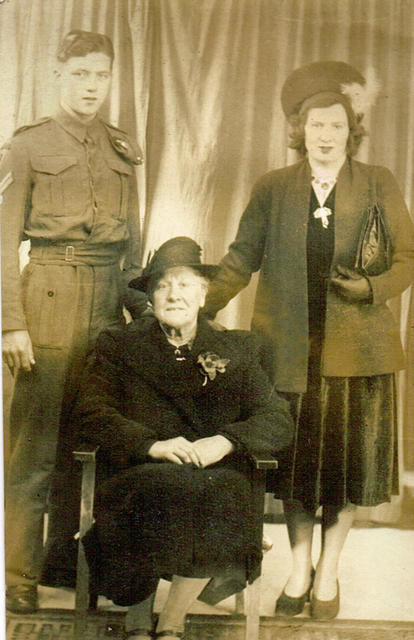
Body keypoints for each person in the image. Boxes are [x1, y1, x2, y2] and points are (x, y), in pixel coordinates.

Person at [204, 61, 414, 620]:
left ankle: (328, 574)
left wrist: (370, 286)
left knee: (342, 473)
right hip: (290, 355)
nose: (326, 136)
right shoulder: (274, 187)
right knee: (298, 472)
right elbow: (241, 259)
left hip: (357, 355)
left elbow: (407, 260)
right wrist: (197, 310)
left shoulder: (379, 183)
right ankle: (298, 569)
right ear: (300, 131)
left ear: (352, 132)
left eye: (337, 126)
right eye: (316, 126)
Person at [74, 236, 293, 640]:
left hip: (213, 475)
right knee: (159, 490)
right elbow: (91, 411)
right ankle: (137, 618)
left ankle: (173, 619)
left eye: (185, 284)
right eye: (162, 285)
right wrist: (151, 445)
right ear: (150, 297)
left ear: (204, 293)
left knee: (219, 494)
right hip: (140, 468)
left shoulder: (236, 348)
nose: (173, 294)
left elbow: (277, 418)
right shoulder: (119, 345)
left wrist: (226, 441)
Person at [1, 30, 146, 614]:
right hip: (50, 294)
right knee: (35, 448)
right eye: (81, 74)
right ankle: (18, 571)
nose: (91, 86)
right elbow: (2, 242)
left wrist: (142, 318)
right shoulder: (27, 146)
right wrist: (11, 322)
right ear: (59, 76)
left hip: (109, 299)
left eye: (101, 76)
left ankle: (64, 559)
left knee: (90, 441)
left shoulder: (122, 149)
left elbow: (133, 249)